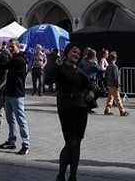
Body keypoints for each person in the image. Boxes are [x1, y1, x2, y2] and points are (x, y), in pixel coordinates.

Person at [53, 42, 90, 181]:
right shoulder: (61, 68)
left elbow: (88, 83)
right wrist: (56, 65)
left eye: (78, 53)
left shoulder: (78, 69)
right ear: (67, 53)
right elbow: (49, 79)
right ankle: (61, 175)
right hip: (67, 107)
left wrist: (91, 91)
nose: (76, 55)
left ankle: (73, 176)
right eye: (74, 52)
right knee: (71, 142)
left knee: (78, 142)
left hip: (81, 107)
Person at [0, 38, 30, 155]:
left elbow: (5, 66)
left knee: (20, 119)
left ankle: (26, 144)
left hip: (17, 94)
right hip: (9, 92)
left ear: (18, 46)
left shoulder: (20, 60)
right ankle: (11, 140)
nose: (10, 48)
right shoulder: (13, 59)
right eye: (9, 46)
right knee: (10, 118)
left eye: (12, 46)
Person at [103, 51, 127, 116]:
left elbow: (106, 75)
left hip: (109, 84)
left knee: (110, 98)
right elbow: (116, 77)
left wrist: (107, 82)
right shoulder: (115, 67)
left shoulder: (108, 66)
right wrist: (118, 85)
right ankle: (122, 111)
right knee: (118, 98)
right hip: (114, 85)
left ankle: (107, 109)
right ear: (116, 59)